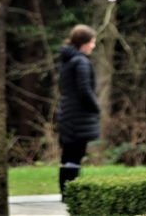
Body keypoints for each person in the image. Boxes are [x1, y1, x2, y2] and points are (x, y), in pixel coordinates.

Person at [56, 24, 100, 196]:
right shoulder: (81, 62)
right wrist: (95, 107)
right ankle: (70, 194)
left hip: (67, 114)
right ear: (84, 43)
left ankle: (65, 193)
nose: (93, 46)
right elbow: (84, 90)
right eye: (92, 42)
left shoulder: (67, 61)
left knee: (68, 156)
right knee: (75, 155)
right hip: (78, 116)